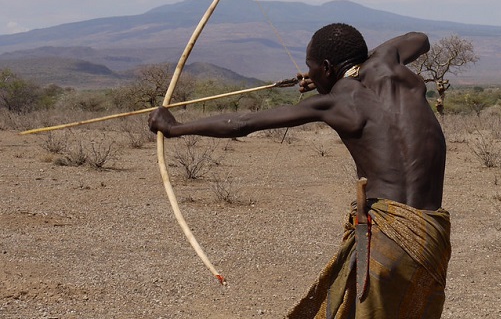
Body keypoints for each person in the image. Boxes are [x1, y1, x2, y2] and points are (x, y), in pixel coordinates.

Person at [148, 23, 451, 318]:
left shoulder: (336, 102)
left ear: (328, 67)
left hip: (388, 238)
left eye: (313, 67)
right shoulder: (387, 60)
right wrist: (338, 73)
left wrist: (174, 127)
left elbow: (243, 123)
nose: (310, 74)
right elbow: (419, 38)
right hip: (430, 235)